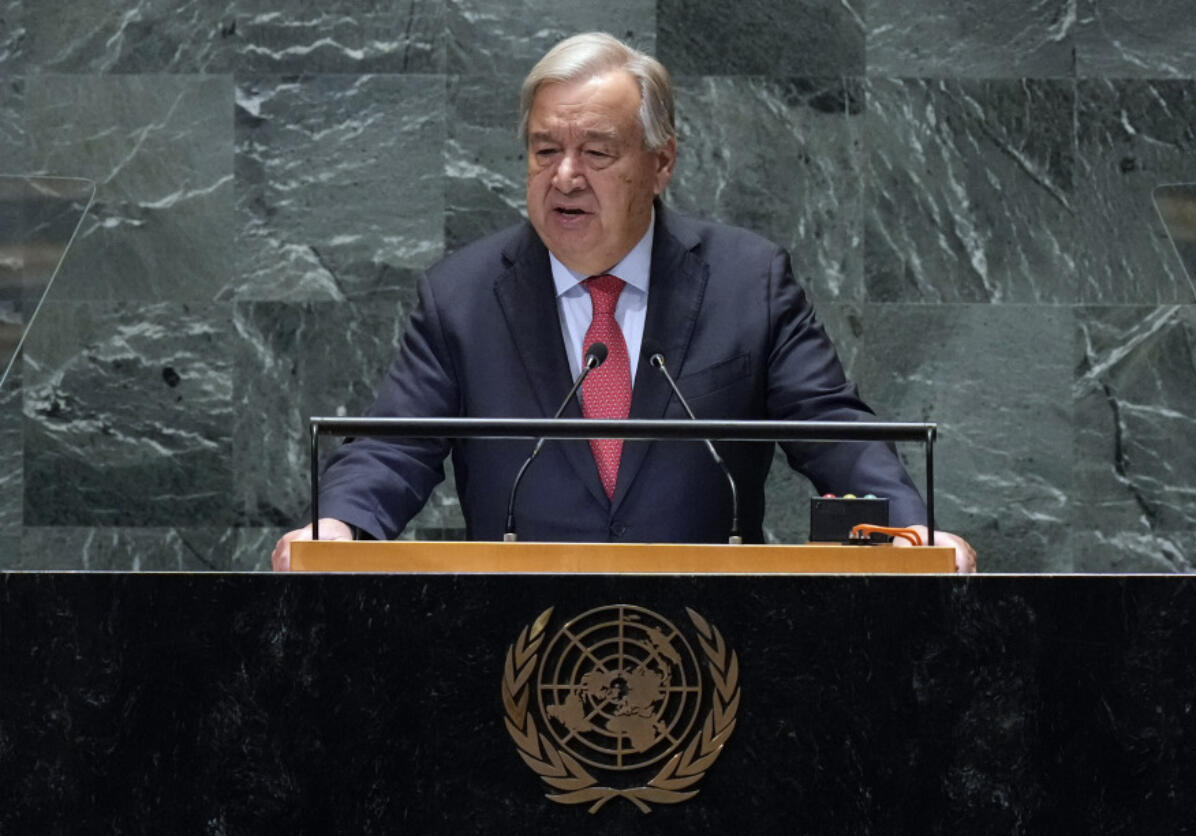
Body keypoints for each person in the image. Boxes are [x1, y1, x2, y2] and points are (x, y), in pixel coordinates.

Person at [272, 32, 976, 572]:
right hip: (516, 649)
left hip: (712, 648)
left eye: (597, 153)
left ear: (662, 162)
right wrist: (339, 528)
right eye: (545, 150)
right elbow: (393, 445)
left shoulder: (747, 282)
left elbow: (833, 430)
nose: (565, 176)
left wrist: (913, 532)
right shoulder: (463, 297)